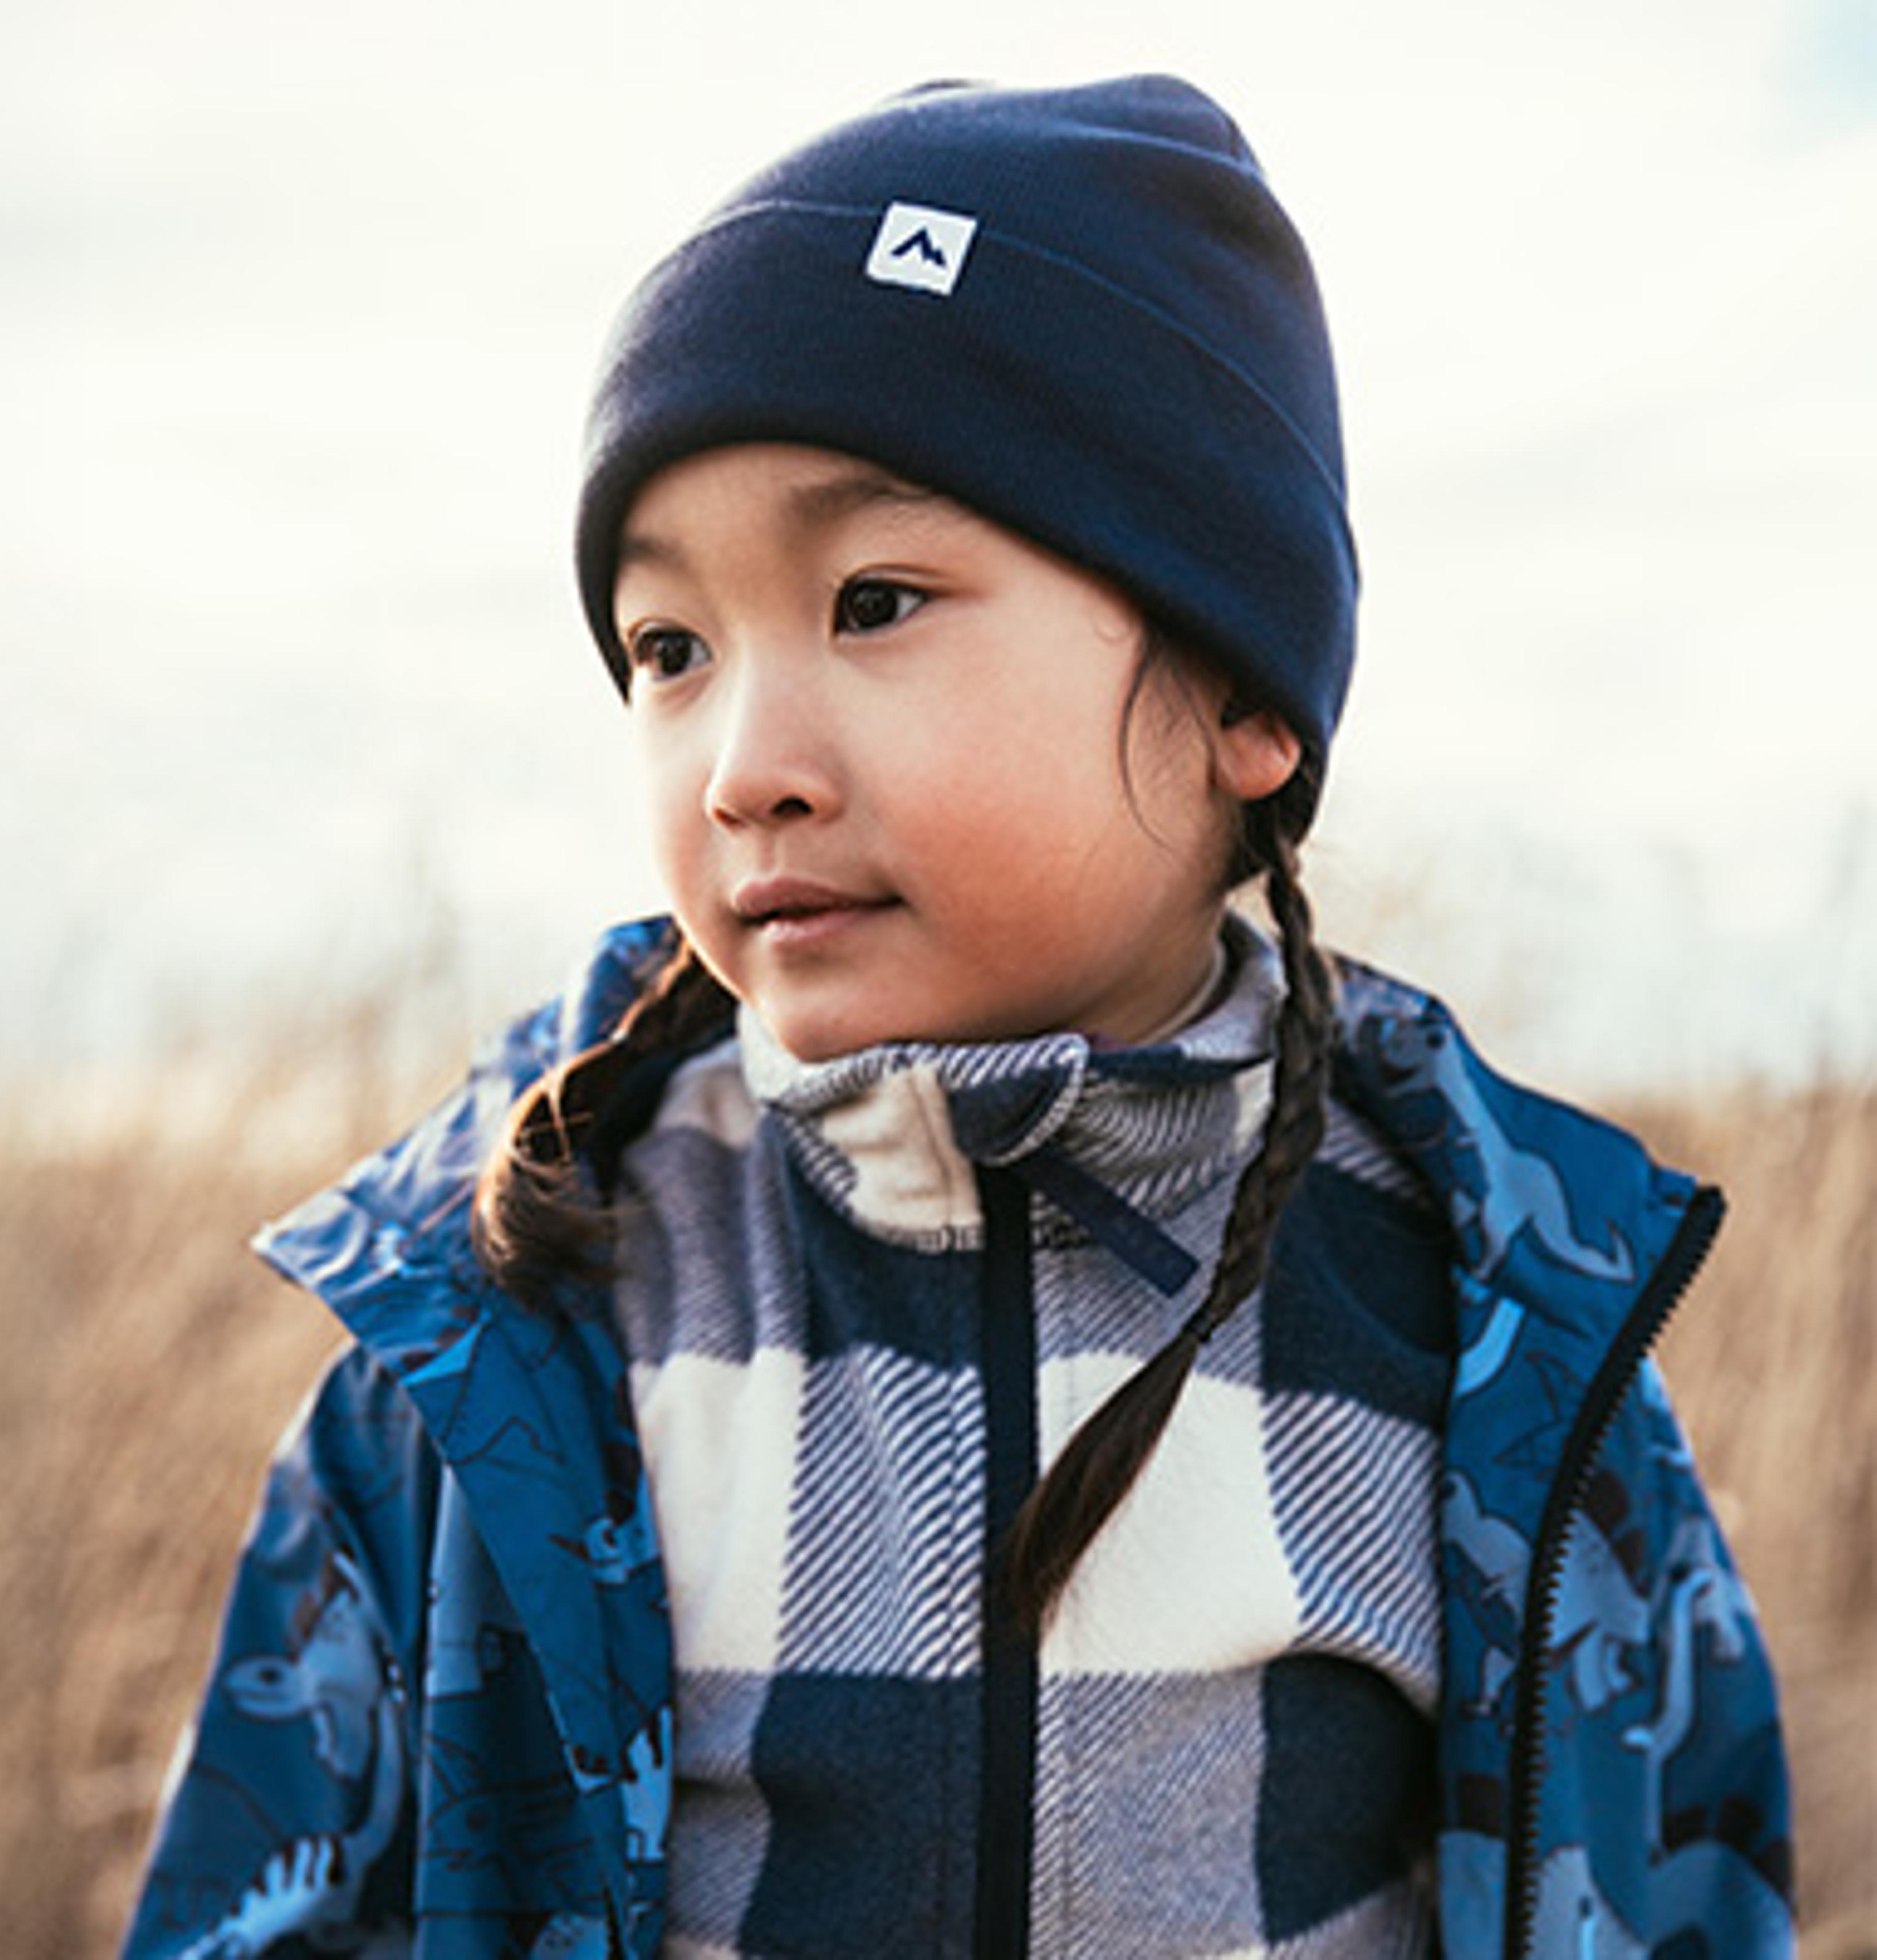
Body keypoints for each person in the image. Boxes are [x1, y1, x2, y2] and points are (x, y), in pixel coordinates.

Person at [121, 76, 1794, 1959]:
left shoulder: (1491, 1336)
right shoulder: (512, 1318)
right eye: (670, 648)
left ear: (1243, 693)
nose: (746, 764)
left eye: (879, 599)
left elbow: (1679, 1891)